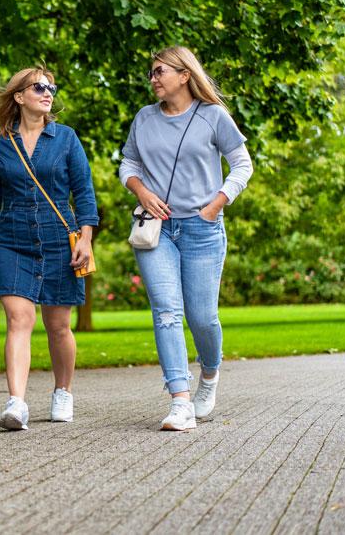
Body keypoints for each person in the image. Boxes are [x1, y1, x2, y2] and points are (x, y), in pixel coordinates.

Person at [119, 46, 253, 431]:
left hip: (202, 229)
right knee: (166, 311)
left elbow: (242, 163)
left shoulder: (212, 116)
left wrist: (216, 205)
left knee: (202, 317)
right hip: (157, 230)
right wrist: (140, 190)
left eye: (160, 71)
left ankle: (209, 374)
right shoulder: (144, 119)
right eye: (151, 72)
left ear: (184, 75)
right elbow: (129, 162)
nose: (153, 78)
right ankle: (180, 400)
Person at [0, 66, 99, 430]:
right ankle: (17, 403)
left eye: (51, 87)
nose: (48, 93)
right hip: (11, 240)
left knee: (58, 326)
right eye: (39, 87)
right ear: (19, 96)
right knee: (18, 319)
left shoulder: (66, 138)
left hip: (61, 240)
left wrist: (85, 238)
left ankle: (63, 391)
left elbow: (84, 192)